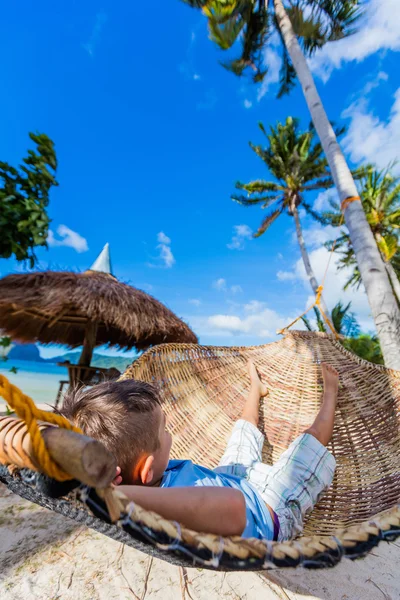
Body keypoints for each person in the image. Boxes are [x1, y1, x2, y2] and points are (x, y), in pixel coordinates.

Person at [62, 361, 338, 541]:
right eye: (165, 431)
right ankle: (331, 394)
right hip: (271, 511)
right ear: (146, 470)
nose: (170, 436)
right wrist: (115, 497)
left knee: (243, 431)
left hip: (227, 480)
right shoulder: (169, 511)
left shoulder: (146, 476)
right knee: (308, 443)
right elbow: (234, 507)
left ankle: (256, 389)